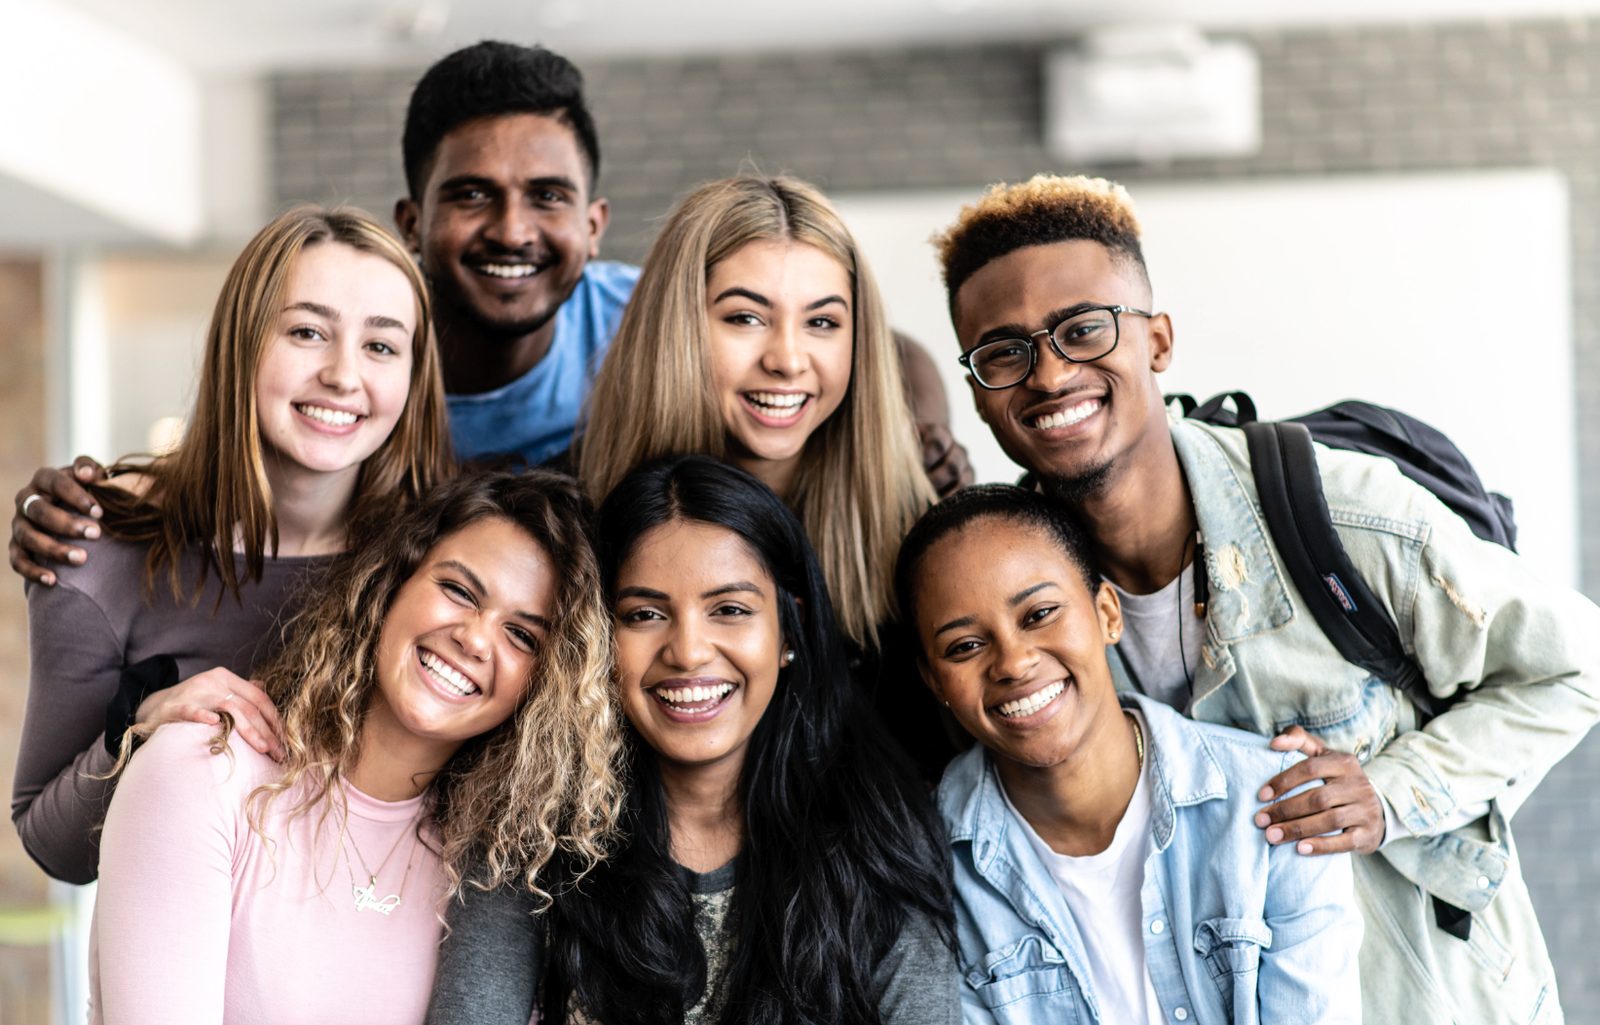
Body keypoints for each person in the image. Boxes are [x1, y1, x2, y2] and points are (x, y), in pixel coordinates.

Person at [934, 173, 1600, 1024]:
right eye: (1003, 351)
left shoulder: (1340, 513)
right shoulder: (1018, 599)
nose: (1050, 372)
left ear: (1158, 340)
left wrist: (1389, 792)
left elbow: (1573, 666)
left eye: (1084, 329)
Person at [425, 456, 957, 1025]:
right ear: (599, 638)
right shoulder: (532, 830)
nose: (688, 651)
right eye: (645, 613)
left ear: (788, 629)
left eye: (729, 609)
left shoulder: (878, 833)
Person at [12, 205, 452, 884]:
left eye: (381, 346)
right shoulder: (97, 548)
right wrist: (145, 728)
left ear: (414, 378)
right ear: (242, 343)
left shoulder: (447, 562)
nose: (343, 374)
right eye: (308, 332)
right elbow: (56, 845)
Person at [91, 470, 625, 1024]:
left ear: (545, 686)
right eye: (459, 591)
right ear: (391, 582)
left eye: (522, 635)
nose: (474, 638)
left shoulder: (497, 874)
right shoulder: (203, 771)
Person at [895, 484, 1361, 1025]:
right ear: (933, 680)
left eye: (1040, 613)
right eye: (965, 646)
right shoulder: (919, 864)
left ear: (1107, 613)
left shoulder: (1277, 799)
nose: (1014, 663)